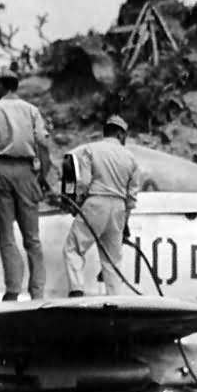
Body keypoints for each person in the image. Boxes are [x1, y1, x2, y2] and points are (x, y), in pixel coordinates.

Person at [0, 69, 52, 301]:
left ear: (0, 86)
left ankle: (12, 290)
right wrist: (42, 177)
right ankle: (37, 292)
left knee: (7, 234)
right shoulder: (31, 110)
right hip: (27, 170)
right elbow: (44, 146)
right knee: (32, 237)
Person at [63, 115, 141, 296]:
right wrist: (125, 220)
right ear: (121, 134)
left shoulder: (91, 150)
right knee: (112, 260)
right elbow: (132, 195)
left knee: (73, 248)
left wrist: (77, 205)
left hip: (96, 203)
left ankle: (76, 290)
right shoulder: (130, 157)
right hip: (119, 208)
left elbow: (84, 183)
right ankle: (114, 299)